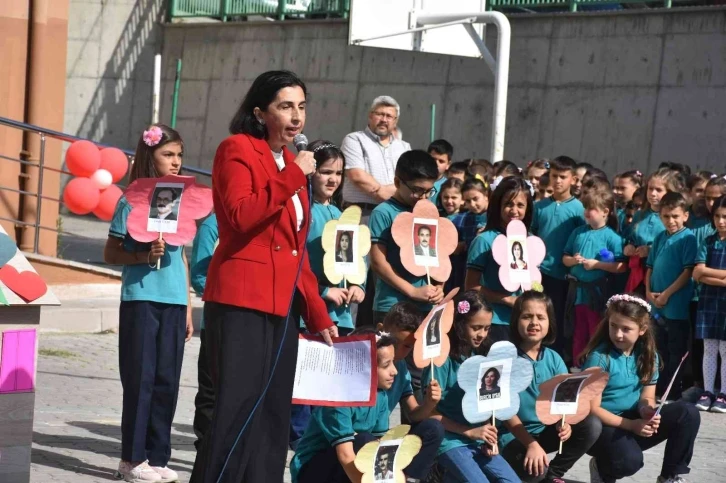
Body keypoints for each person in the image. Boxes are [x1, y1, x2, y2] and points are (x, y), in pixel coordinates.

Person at [190, 70, 337, 483]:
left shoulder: (292, 162)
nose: (296, 117)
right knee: (235, 410)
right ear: (260, 111)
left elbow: (297, 250)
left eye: (301, 107)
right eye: (285, 106)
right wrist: (293, 177)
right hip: (240, 300)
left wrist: (318, 313)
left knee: (273, 414)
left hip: (282, 306)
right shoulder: (237, 149)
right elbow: (239, 217)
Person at [104, 124, 194, 483]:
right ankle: (131, 459)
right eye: (168, 154)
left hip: (173, 303)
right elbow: (111, 252)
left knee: (167, 381)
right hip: (141, 301)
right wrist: (143, 254)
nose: (176, 162)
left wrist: (187, 306)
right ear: (149, 155)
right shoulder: (129, 201)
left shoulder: (181, 203)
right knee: (140, 380)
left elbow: (183, 258)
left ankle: (157, 457)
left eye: (179, 155)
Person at [289, 141, 366, 449]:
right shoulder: (301, 211)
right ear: (311, 172)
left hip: (342, 314)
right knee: (306, 381)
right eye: (325, 172)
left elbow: (356, 260)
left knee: (331, 383)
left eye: (338, 173)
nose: (333, 179)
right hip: (311, 310)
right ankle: (298, 441)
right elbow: (295, 264)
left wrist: (358, 284)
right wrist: (323, 291)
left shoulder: (341, 213)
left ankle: (324, 440)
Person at [290, 329, 441, 483]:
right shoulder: (337, 400)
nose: (394, 371)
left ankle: (405, 479)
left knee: (431, 429)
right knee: (364, 441)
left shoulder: (380, 395)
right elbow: (345, 455)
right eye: (386, 365)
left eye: (393, 363)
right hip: (313, 471)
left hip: (353, 462)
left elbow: (380, 443)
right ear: (363, 367)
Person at [583, 294, 700, 483]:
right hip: (601, 427)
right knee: (630, 462)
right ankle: (603, 467)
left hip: (632, 420)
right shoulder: (600, 357)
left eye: (626, 329)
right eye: (613, 326)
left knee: (687, 412)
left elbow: (647, 397)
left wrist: (647, 411)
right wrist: (633, 425)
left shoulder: (648, 356)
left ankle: (669, 476)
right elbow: (592, 409)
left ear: (642, 329)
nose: (618, 334)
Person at [500, 291, 602, 483]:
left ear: (550, 323)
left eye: (541, 317)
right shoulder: (506, 358)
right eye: (526, 316)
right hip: (513, 436)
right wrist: (531, 444)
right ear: (515, 321)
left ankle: (553, 474)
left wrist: (564, 423)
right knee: (533, 473)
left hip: (544, 432)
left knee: (591, 425)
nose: (534, 323)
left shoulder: (554, 358)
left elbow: (563, 402)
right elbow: (504, 412)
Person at [422, 291, 519, 483]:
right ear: (460, 323)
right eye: (476, 327)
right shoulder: (442, 359)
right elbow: (428, 414)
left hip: (477, 439)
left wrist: (489, 435)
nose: (482, 334)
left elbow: (490, 401)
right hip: (449, 439)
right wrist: (468, 432)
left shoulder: (483, 355)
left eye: (487, 328)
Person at [369, 150, 443, 324]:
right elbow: (378, 262)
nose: (423, 197)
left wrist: (439, 287)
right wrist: (412, 291)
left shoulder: (429, 212)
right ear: (397, 182)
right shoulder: (383, 213)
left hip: (427, 306)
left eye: (429, 191)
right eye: (417, 190)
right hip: (393, 307)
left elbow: (439, 258)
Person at [531, 155, 586, 363]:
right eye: (554, 176)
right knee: (536, 313)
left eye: (563, 176)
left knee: (558, 319)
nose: (558, 181)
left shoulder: (579, 210)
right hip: (537, 273)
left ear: (573, 179)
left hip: (563, 275)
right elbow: (531, 234)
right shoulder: (539, 207)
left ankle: (554, 360)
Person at [562, 190, 626, 368]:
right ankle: (577, 365)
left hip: (597, 293)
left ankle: (594, 367)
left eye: (592, 208)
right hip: (577, 292)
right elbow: (565, 259)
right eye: (585, 208)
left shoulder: (613, 237)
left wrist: (596, 264)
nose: (586, 212)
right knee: (577, 331)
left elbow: (621, 267)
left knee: (595, 331)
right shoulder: (578, 232)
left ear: (605, 211)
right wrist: (573, 260)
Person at [466, 177, 534, 343]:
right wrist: (509, 300)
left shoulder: (530, 240)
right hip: (493, 322)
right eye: (508, 204)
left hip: (522, 322)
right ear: (498, 206)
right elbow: (471, 286)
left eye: (520, 205)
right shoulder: (485, 240)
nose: (514, 210)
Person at [376, 303, 446, 457]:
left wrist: (429, 404)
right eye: (393, 341)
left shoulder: (401, 368)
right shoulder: (363, 362)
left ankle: (407, 478)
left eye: (407, 346)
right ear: (380, 330)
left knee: (433, 428)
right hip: (358, 438)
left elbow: (413, 414)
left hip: (382, 438)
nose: (397, 350)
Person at [645, 191, 696, 402]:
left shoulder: (688, 238)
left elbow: (687, 271)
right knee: (658, 348)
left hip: (675, 305)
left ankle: (672, 391)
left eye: (675, 216)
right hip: (656, 303)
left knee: (676, 349)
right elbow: (649, 266)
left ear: (685, 215)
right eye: (666, 216)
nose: (671, 221)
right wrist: (648, 292)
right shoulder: (660, 237)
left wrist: (666, 294)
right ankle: (658, 388)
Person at [341, 95, 411, 213]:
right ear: (370, 115)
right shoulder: (354, 139)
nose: (384, 119)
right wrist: (394, 195)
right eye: (379, 114)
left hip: (395, 213)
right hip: (362, 213)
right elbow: (357, 176)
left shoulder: (404, 147)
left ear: (395, 121)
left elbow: (409, 181)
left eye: (389, 116)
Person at [624, 167, 686, 295]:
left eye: (658, 190)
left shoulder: (672, 219)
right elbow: (631, 237)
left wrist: (650, 250)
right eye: (650, 188)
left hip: (660, 274)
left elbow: (674, 245)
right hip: (637, 271)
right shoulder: (640, 215)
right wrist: (629, 246)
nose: (653, 193)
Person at [693, 194, 726, 412]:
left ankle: (723, 393)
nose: (721, 221)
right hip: (708, 300)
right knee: (709, 348)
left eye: (725, 217)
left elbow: (704, 272)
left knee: (725, 349)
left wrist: (707, 274)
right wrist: (722, 277)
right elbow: (697, 272)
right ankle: (707, 391)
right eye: (717, 216)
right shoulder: (708, 241)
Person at [190, 213, 219, 452]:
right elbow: (200, 277)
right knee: (210, 392)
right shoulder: (212, 225)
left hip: (248, 326)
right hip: (217, 322)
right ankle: (205, 449)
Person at [427, 138, 454, 207]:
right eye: (433, 159)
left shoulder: (448, 186)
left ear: (448, 165)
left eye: (441, 161)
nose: (436, 163)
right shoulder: (417, 181)